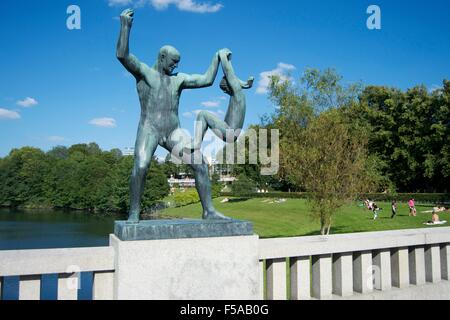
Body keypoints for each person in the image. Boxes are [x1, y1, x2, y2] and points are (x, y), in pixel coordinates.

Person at [117, 8, 230, 222]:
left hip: (173, 131)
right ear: (162, 57)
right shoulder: (145, 73)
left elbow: (206, 79)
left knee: (200, 165)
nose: (176, 66)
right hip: (149, 128)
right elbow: (122, 55)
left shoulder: (178, 80)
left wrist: (216, 58)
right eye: (173, 62)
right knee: (140, 167)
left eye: (177, 62)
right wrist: (125, 26)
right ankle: (134, 212)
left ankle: (209, 211)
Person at [187, 50, 254, 151]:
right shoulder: (238, 95)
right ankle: (197, 141)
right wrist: (228, 60)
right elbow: (233, 78)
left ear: (230, 86)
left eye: (225, 89)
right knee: (204, 117)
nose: (225, 92)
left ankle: (197, 143)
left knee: (202, 114)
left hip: (230, 132)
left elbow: (229, 74)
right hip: (230, 132)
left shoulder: (238, 93)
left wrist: (222, 55)